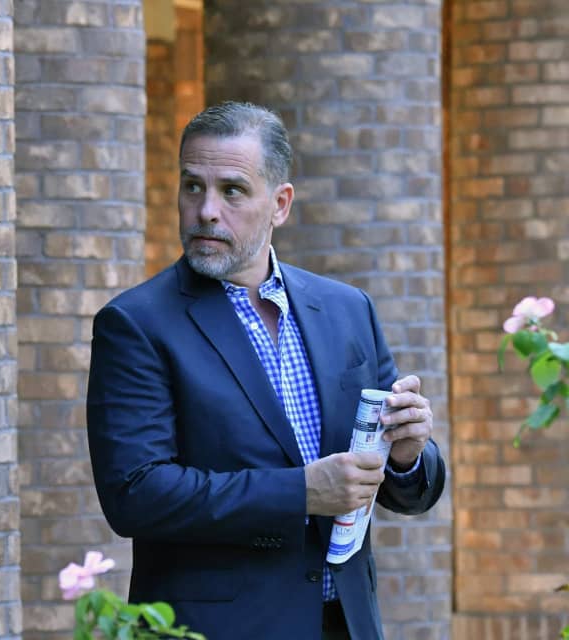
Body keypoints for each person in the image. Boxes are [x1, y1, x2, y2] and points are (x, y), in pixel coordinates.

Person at [86, 102, 445, 640]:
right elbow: (136, 496)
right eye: (192, 186)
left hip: (346, 625)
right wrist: (300, 492)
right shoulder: (136, 323)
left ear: (280, 204)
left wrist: (407, 457)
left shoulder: (348, 309)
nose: (206, 210)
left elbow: (407, 492)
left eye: (232, 190)